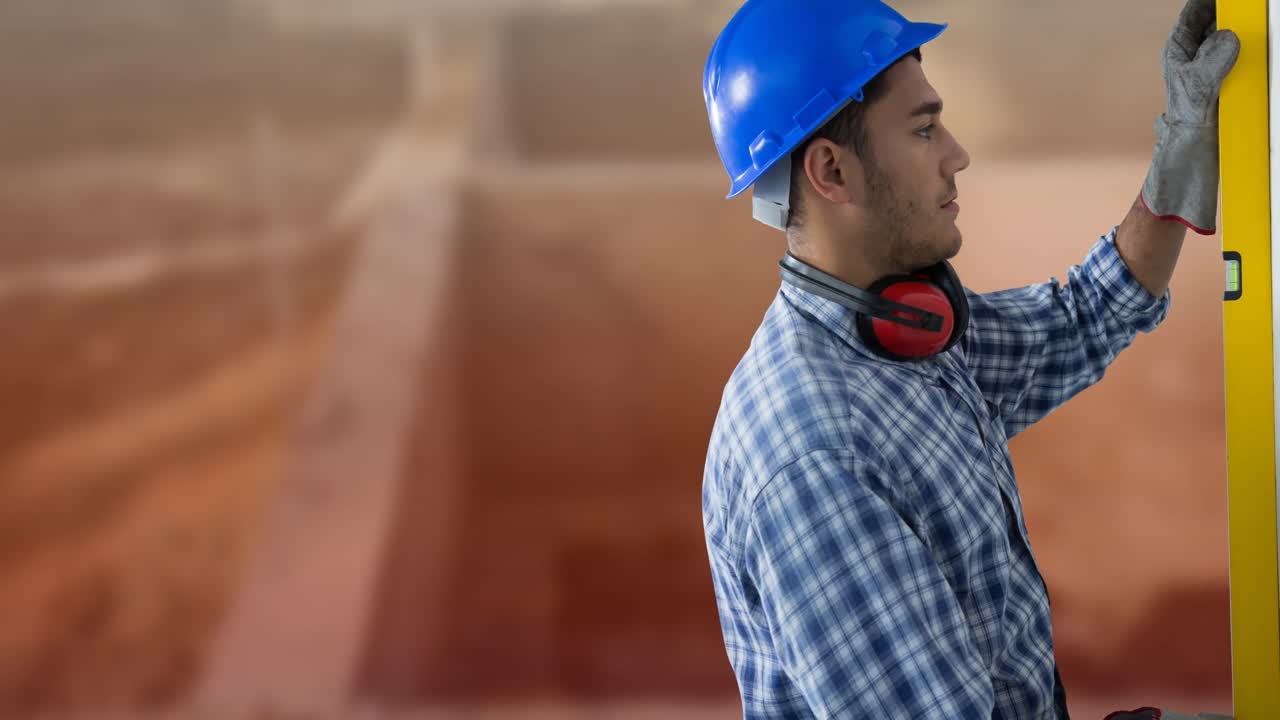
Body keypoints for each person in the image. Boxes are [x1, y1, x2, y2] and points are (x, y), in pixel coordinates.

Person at [699, 0, 1239, 717]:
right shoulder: (815, 457)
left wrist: (1179, 151)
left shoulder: (899, 334)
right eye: (924, 129)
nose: (956, 154)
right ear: (832, 169)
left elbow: (1085, 316)